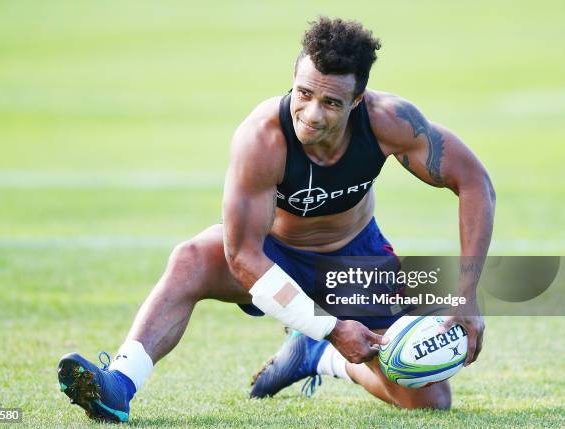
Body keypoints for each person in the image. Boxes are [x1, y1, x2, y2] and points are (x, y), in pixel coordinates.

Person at [57, 16, 495, 423]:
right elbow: (243, 256)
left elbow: (475, 183)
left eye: (331, 102)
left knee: (430, 400)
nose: (311, 114)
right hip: (273, 254)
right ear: (293, 78)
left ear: (357, 100)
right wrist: (330, 325)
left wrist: (467, 292)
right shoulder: (262, 137)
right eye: (304, 93)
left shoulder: (389, 122)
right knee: (192, 258)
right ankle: (119, 383)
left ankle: (317, 357)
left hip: (353, 261)